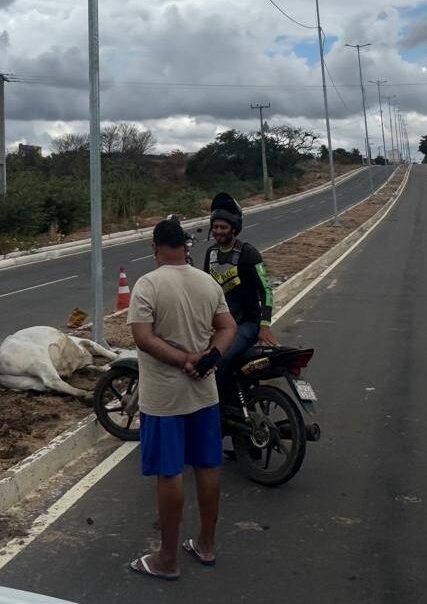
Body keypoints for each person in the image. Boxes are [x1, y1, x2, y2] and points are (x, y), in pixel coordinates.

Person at [126, 218, 237, 581]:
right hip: (205, 393)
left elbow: (142, 337)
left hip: (163, 399)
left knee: (169, 472)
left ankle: (167, 559)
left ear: (156, 247)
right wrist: (208, 359)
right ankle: (206, 544)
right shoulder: (206, 282)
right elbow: (227, 327)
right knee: (208, 466)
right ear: (185, 247)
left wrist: (182, 360)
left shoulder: (149, 284)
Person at [203, 192, 277, 374]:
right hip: (220, 324)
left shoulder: (249, 253)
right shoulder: (210, 253)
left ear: (234, 228)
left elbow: (266, 289)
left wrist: (265, 325)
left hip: (247, 324)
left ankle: (215, 403)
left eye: (223, 227)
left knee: (218, 359)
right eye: (215, 227)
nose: (218, 231)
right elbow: (204, 290)